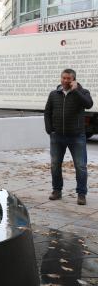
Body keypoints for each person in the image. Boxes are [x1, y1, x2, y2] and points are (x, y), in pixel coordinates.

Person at [44, 69, 93, 205]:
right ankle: (57, 191)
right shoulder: (54, 94)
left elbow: (89, 104)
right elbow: (47, 112)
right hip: (57, 136)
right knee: (55, 165)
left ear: (74, 80)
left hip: (77, 136)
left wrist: (76, 90)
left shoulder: (82, 93)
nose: (65, 81)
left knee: (81, 166)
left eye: (68, 79)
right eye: (63, 78)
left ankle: (81, 194)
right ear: (61, 78)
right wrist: (49, 129)